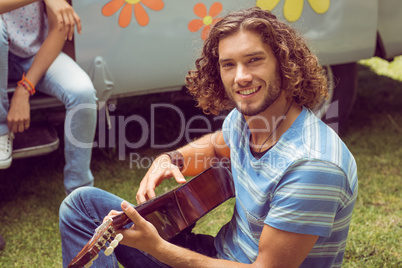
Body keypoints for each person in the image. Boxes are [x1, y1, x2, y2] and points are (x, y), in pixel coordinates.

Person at [59, 7, 358, 268]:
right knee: (81, 205)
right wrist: (170, 159)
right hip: (216, 255)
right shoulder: (247, 121)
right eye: (229, 64)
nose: (240, 76)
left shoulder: (313, 166)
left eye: (254, 60)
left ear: (284, 63)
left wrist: (157, 248)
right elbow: (217, 147)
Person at [0, 0, 97, 194]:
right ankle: (1, 129)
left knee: (82, 92)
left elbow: (58, 29)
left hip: (34, 56)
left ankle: (80, 193)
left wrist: (24, 89)